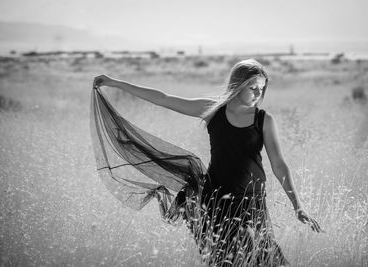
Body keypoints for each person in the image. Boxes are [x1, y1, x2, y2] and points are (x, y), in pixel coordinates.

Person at [93, 58, 322, 266]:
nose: (257, 93)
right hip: (216, 200)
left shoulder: (264, 120)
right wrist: (115, 83)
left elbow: (279, 164)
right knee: (224, 260)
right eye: (252, 88)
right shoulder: (213, 110)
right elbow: (165, 99)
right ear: (238, 85)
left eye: (261, 89)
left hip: (251, 202)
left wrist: (298, 206)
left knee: (265, 258)